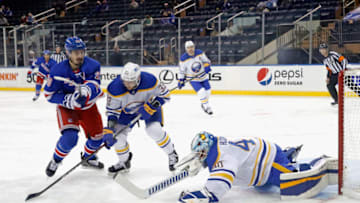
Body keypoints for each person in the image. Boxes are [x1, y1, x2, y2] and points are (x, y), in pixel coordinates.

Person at [178, 131, 338, 202]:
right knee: (262, 188)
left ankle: (320, 162)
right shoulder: (218, 147)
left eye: (200, 154)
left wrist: (197, 196)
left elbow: (215, 190)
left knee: (294, 186)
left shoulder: (222, 157)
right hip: (260, 163)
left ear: (207, 150)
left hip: (269, 163)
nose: (199, 157)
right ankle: (287, 154)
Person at [43, 36, 105, 177]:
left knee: (98, 138)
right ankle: (56, 160)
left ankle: (88, 158)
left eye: (82, 52)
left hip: (88, 107)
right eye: (76, 52)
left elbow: (94, 85)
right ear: (68, 53)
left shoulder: (93, 65)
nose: (80, 55)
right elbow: (49, 95)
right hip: (68, 108)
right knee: (70, 138)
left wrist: (85, 92)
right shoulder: (57, 71)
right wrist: (68, 99)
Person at [103, 62, 179, 173]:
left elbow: (166, 95)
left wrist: (152, 106)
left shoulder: (150, 81)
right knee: (118, 138)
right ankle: (124, 162)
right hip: (126, 112)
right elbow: (112, 112)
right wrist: (110, 129)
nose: (128, 84)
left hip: (148, 107)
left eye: (131, 82)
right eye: (125, 81)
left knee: (154, 130)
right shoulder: (114, 88)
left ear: (138, 78)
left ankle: (172, 153)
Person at [178, 41, 213, 115]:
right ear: (186, 49)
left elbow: (206, 61)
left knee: (208, 91)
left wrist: (207, 66)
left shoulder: (199, 52)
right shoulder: (183, 58)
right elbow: (181, 71)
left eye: (191, 47)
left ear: (194, 47)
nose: (190, 49)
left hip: (203, 76)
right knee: (201, 92)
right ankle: (206, 106)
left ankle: (204, 103)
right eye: (188, 48)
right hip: (193, 79)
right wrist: (180, 80)